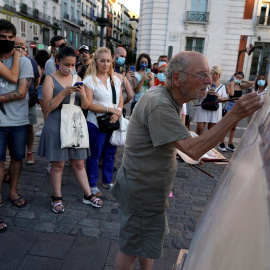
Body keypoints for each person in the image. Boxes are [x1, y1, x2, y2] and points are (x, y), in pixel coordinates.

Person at [110, 51, 262, 270]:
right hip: (142, 192)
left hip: (145, 189)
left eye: (208, 74)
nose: (209, 81)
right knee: (131, 250)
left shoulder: (165, 98)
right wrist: (235, 115)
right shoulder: (160, 104)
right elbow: (193, 150)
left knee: (145, 242)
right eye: (201, 75)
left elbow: (173, 141)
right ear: (177, 78)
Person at [37, 46, 103, 213]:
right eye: (67, 64)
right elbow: (48, 107)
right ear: (58, 62)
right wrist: (63, 93)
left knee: (79, 163)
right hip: (57, 123)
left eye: (73, 65)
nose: (70, 68)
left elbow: (86, 105)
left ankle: (88, 194)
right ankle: (57, 196)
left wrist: (82, 94)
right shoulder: (50, 79)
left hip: (74, 123)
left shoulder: (78, 78)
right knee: (58, 164)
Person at [0, 19, 33, 213]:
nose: (7, 40)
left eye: (10, 37)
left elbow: (21, 92)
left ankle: (12, 191)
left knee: (17, 157)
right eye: (2, 37)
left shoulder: (25, 62)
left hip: (19, 120)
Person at [83, 47, 123, 196]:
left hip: (113, 121)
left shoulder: (116, 80)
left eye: (108, 61)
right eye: (102, 61)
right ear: (96, 62)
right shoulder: (90, 80)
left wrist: (118, 112)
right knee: (94, 153)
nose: (105, 64)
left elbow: (120, 100)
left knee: (110, 153)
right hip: (95, 122)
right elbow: (87, 105)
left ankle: (107, 180)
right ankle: (92, 183)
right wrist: (109, 110)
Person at [14, 36, 41, 165]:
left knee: (29, 127)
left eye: (21, 44)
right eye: (16, 44)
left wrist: (31, 90)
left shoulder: (31, 61)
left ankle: (29, 152)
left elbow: (37, 79)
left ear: (25, 47)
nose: (19, 47)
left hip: (28, 102)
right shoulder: (7, 61)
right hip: (12, 103)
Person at [218, 71, 253, 152]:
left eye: (240, 78)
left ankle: (230, 144)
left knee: (233, 127)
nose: (238, 79)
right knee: (226, 125)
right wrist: (233, 83)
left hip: (238, 106)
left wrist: (242, 81)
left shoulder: (241, 86)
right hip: (230, 106)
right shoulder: (230, 85)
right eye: (237, 77)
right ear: (234, 77)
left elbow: (252, 83)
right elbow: (232, 93)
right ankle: (221, 143)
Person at [194, 66, 227, 135]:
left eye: (216, 73)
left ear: (219, 75)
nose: (214, 75)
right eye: (213, 73)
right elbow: (198, 94)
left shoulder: (222, 86)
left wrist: (219, 97)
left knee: (211, 131)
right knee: (200, 129)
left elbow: (225, 99)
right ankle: (197, 144)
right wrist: (207, 92)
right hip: (204, 106)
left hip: (215, 109)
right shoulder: (205, 83)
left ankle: (207, 145)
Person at [35, 49, 50, 125]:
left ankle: (45, 128)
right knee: (47, 110)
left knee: (44, 111)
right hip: (47, 87)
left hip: (41, 87)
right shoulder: (47, 66)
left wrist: (35, 88)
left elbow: (38, 78)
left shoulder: (39, 66)